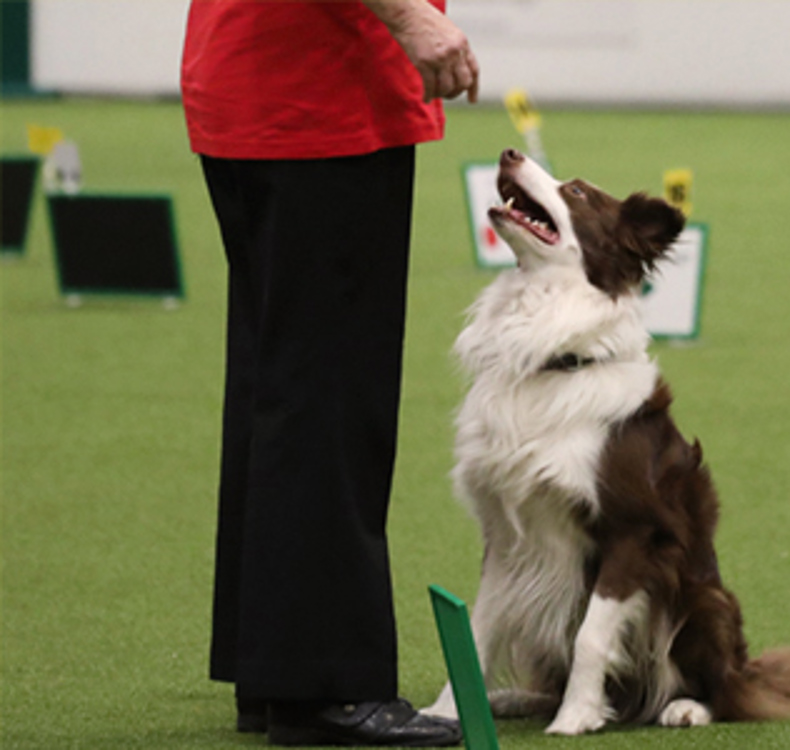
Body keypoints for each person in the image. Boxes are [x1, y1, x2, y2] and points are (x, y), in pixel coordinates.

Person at [180, 1, 479, 746]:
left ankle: (276, 669)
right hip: (319, 97)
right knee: (330, 394)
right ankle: (325, 686)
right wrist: (413, 19)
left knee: (277, 382)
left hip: (256, 83)